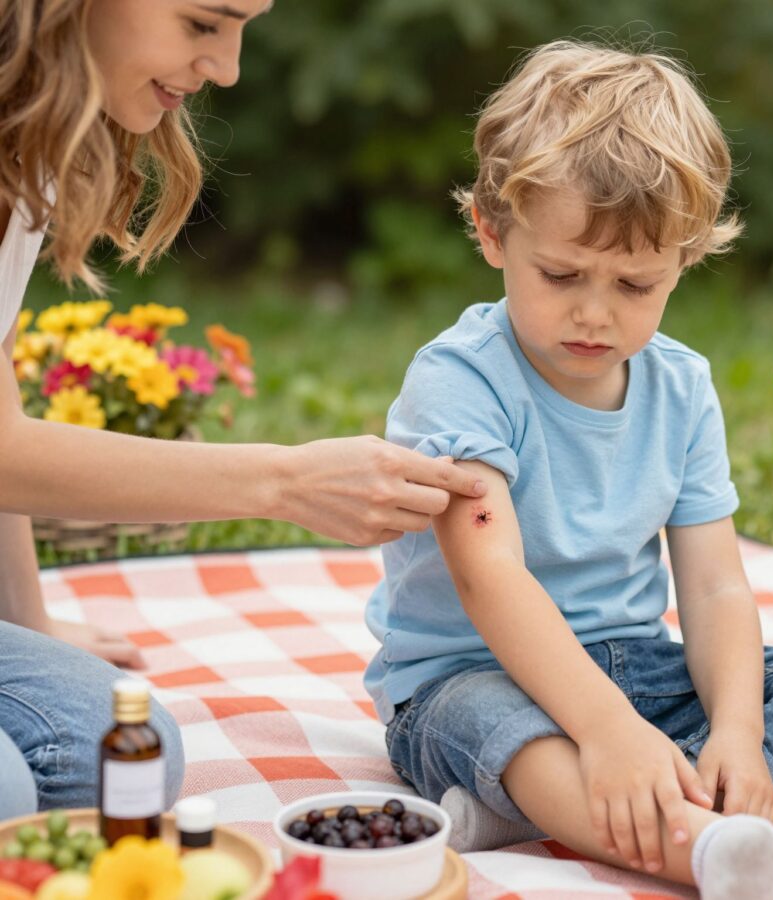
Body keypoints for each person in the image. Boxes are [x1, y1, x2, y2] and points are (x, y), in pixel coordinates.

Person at [364, 41, 773, 898]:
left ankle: (548, 809)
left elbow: (717, 587)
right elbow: (488, 577)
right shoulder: (459, 379)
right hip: (470, 678)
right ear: (493, 232)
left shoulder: (681, 386)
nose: (594, 312)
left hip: (637, 669)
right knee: (493, 723)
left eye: (635, 284)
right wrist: (607, 731)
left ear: (685, 261)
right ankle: (706, 848)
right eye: (562, 273)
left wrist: (734, 730)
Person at [0, 0, 486, 819]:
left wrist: (29, 617)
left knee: (118, 756)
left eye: (244, 27)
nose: (226, 67)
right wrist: (283, 483)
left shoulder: (26, 147)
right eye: (202, 24)